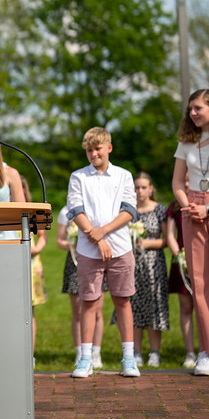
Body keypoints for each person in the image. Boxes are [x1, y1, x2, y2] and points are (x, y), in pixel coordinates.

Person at [67, 126, 139, 379]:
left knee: (122, 301)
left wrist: (104, 232)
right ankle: (85, 358)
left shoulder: (123, 176)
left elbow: (129, 209)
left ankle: (129, 358)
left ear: (108, 147)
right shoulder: (78, 177)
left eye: (97, 149)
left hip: (120, 248)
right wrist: (97, 240)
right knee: (89, 302)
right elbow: (76, 210)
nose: (93, 154)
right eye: (89, 150)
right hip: (89, 250)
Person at [172, 88, 209, 377]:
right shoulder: (185, 140)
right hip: (192, 211)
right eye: (190, 108)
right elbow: (177, 181)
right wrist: (187, 205)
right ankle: (206, 352)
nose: (192, 113)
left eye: (198, 108)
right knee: (200, 285)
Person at [123, 173, 169, 368]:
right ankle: (136, 352)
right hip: (132, 265)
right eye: (137, 187)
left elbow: (166, 240)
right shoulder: (128, 211)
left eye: (143, 187)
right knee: (133, 308)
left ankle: (155, 352)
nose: (140, 191)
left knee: (154, 307)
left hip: (153, 264)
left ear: (151, 189)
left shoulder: (159, 210)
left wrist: (147, 243)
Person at [56, 205, 105, 369]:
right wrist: (75, 244)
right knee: (78, 311)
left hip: (96, 259)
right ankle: (80, 352)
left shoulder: (97, 207)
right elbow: (59, 241)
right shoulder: (65, 212)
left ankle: (96, 353)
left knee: (97, 310)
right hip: (74, 261)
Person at [165, 179, 197, 369]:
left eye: (189, 180)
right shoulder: (174, 207)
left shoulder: (204, 202)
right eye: (182, 180)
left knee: (204, 308)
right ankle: (190, 353)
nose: (186, 184)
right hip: (181, 260)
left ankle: (207, 350)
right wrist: (180, 256)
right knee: (185, 308)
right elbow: (170, 234)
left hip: (204, 259)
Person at [20, 175, 46, 357]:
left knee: (29, 312)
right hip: (11, 262)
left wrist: (36, 248)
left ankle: (30, 354)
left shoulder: (32, 212)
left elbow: (43, 237)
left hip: (30, 263)